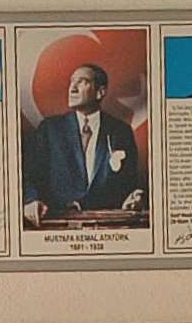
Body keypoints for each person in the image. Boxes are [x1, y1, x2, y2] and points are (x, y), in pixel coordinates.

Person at [23, 60, 144, 223]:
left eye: (82, 82)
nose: (72, 88)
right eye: (72, 82)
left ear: (100, 92)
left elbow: (128, 183)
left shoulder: (121, 131)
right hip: (58, 221)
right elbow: (30, 175)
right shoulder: (49, 129)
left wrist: (131, 199)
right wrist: (30, 200)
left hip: (105, 223)